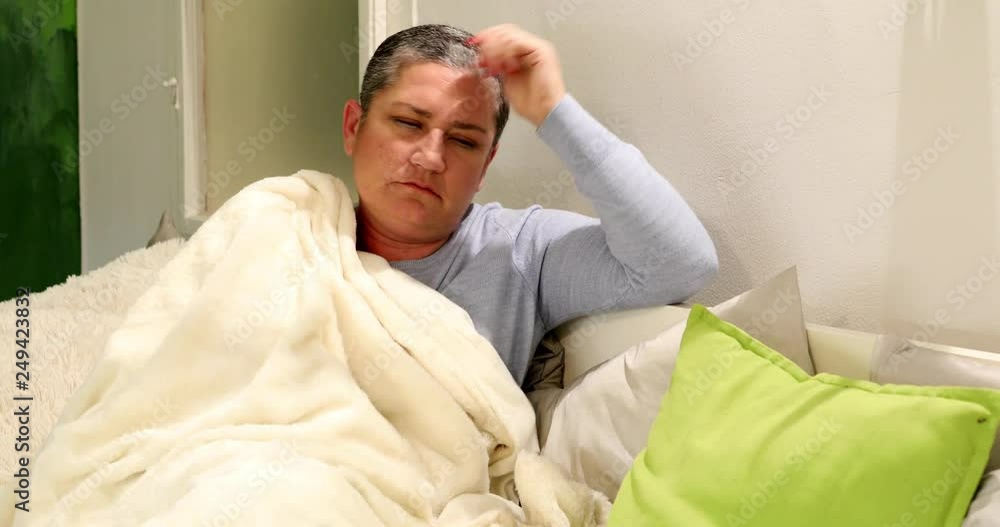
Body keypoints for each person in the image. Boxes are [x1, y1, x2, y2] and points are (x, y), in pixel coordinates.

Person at [342, 23, 718, 386]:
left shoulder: (519, 251)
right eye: (408, 123)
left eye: (464, 141)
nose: (431, 158)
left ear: (485, 165)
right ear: (354, 128)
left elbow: (678, 263)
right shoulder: (307, 227)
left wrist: (552, 109)